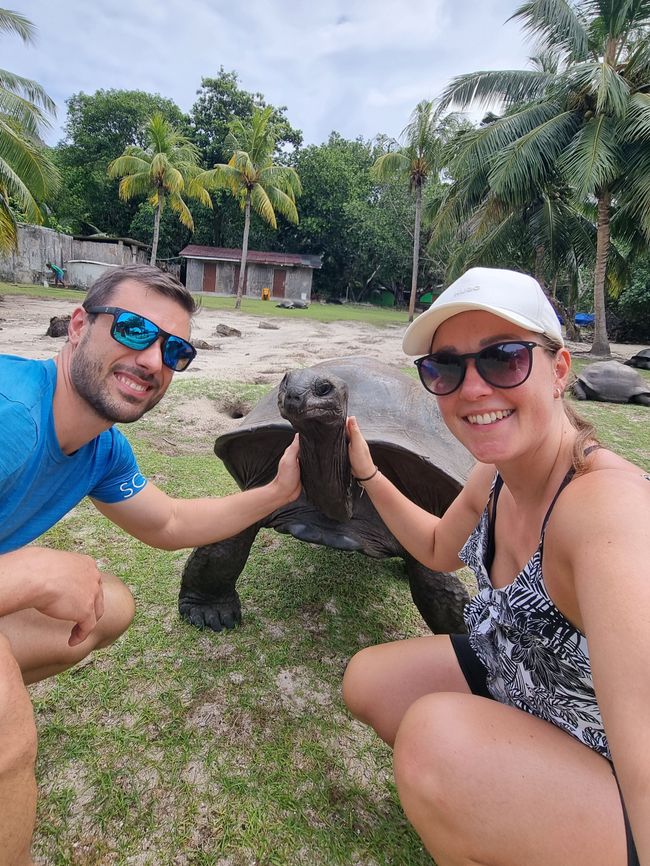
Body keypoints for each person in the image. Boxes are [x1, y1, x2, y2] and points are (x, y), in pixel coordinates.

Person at [343, 267, 649, 866]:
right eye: (445, 368)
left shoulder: (606, 510)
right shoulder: (499, 472)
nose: (473, 388)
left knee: (435, 739)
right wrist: (367, 474)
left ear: (559, 371)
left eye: (504, 359)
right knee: (372, 682)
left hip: (617, 771)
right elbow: (435, 547)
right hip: (532, 690)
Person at [0, 264, 301, 864]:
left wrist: (274, 495)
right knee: (8, 742)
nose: (153, 360)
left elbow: (165, 524)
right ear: (79, 325)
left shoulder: (101, 446)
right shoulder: (13, 416)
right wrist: (28, 574)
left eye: (176, 349)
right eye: (135, 330)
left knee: (106, 605)